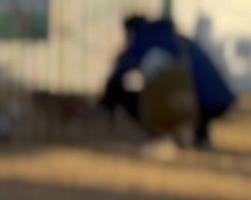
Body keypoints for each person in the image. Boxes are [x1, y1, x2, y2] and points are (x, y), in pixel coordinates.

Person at [100, 14, 234, 148]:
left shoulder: (145, 39)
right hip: (220, 98)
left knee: (146, 93)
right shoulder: (175, 37)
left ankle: (159, 133)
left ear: (131, 30)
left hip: (200, 102)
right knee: (180, 88)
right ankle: (198, 137)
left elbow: (121, 71)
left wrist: (106, 98)